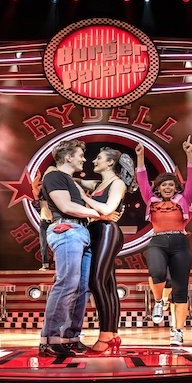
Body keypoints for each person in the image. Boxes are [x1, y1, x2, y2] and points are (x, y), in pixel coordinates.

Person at [38, 139, 117, 357]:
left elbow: (87, 194)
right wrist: (99, 214)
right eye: (80, 154)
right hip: (67, 229)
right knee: (66, 284)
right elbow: (66, 206)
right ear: (69, 157)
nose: (84, 159)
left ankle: (71, 337)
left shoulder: (70, 180)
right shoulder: (54, 176)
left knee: (82, 287)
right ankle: (50, 339)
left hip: (81, 232)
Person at [135, 136, 192, 346]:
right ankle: (159, 301)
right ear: (159, 188)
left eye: (172, 185)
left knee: (180, 288)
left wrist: (189, 153)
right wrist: (140, 157)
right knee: (157, 272)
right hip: (158, 242)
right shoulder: (150, 200)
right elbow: (142, 180)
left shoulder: (184, 200)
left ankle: (178, 331)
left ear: (176, 188)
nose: (168, 187)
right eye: (164, 185)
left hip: (180, 243)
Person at [76, 146, 137, 354]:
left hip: (107, 231)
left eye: (99, 158)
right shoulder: (98, 184)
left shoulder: (117, 183)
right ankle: (112, 335)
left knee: (96, 281)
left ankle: (105, 336)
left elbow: (108, 210)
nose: (94, 161)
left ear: (110, 162)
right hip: (97, 231)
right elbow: (73, 182)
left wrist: (84, 198)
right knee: (109, 285)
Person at [31, 169, 53, 271]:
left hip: (54, 222)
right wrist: (38, 177)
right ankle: (45, 264)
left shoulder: (56, 194)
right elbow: (34, 186)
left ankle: (59, 264)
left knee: (57, 245)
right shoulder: (41, 195)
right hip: (44, 222)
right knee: (43, 244)